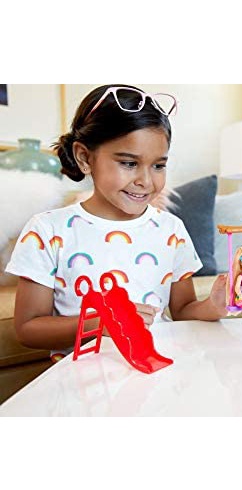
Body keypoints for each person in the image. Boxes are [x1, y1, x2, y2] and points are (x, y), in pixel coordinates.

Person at [6, 84, 227, 359]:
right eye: (129, 163)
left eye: (158, 166)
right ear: (84, 158)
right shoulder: (47, 230)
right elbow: (28, 329)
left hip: (158, 373)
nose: (145, 181)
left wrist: (213, 306)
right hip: (84, 379)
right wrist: (100, 322)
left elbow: (183, 311)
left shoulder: (171, 229)